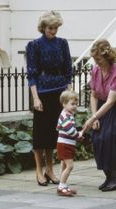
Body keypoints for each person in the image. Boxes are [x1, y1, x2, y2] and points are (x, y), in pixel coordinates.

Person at [25, 10, 73, 186]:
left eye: (56, 28)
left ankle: (50, 170)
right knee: (40, 133)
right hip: (43, 93)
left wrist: (69, 94)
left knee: (55, 133)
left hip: (59, 93)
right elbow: (31, 74)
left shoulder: (62, 43)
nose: (54, 31)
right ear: (43, 27)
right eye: (51, 28)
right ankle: (39, 170)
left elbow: (68, 69)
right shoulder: (34, 45)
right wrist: (35, 98)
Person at [82, 39, 116, 192]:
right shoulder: (96, 70)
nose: (96, 62)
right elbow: (93, 95)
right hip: (101, 106)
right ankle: (108, 176)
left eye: (98, 59)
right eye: (95, 59)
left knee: (110, 138)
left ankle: (115, 179)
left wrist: (93, 119)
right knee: (98, 138)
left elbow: (111, 102)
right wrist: (94, 116)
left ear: (107, 57)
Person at [56, 90, 84, 196]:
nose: (75, 106)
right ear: (64, 104)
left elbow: (66, 129)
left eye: (76, 104)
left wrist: (76, 136)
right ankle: (61, 187)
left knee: (64, 165)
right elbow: (69, 130)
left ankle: (62, 185)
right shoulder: (65, 116)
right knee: (70, 166)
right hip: (65, 144)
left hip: (66, 143)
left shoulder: (68, 114)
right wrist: (78, 135)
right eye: (72, 104)